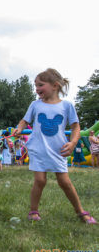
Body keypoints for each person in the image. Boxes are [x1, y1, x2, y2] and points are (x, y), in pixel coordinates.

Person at [13, 68, 96, 224]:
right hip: (38, 148)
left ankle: (80, 211)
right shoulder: (35, 105)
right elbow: (24, 121)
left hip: (58, 149)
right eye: (35, 85)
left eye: (40, 85)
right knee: (40, 180)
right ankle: (33, 211)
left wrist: (72, 143)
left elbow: (75, 127)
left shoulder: (67, 106)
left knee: (64, 181)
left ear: (55, 86)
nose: (37, 89)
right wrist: (19, 128)